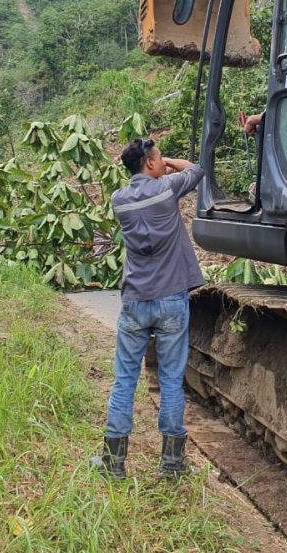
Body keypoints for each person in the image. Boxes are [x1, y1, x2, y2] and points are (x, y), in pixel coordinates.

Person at [91, 138, 205, 478]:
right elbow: (196, 169)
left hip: (135, 301)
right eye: (157, 158)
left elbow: (150, 175)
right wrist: (168, 162)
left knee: (124, 380)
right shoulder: (166, 189)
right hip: (171, 299)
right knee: (171, 380)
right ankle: (172, 464)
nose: (162, 162)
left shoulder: (119, 199)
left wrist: (152, 162)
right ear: (151, 164)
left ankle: (114, 463)